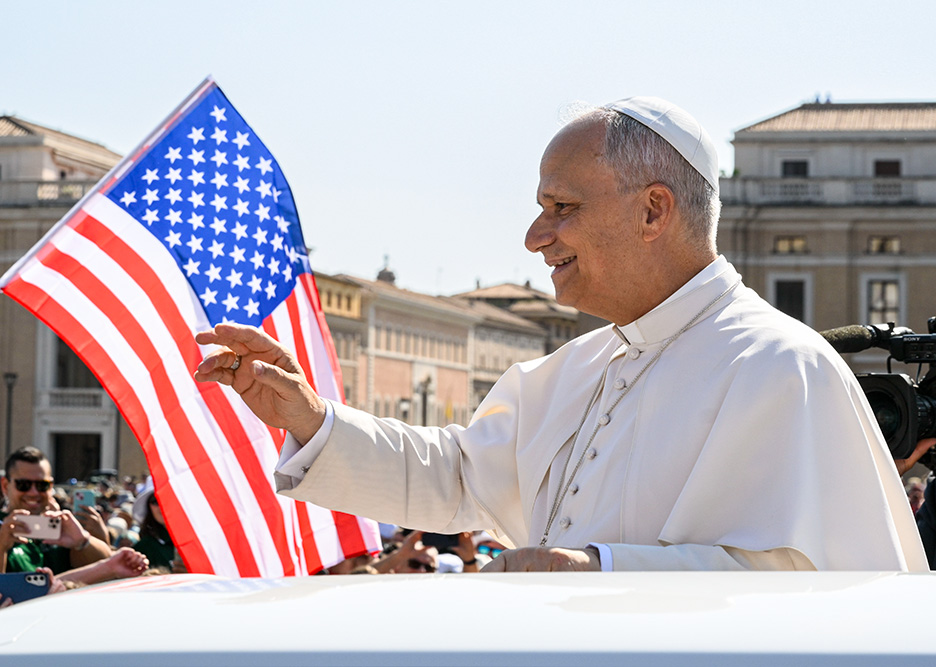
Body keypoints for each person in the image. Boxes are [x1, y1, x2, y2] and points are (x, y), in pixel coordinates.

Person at [194, 96, 927, 572]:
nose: (535, 235)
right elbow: (453, 476)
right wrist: (311, 417)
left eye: (561, 206)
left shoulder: (783, 367)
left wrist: (602, 569)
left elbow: (820, 592)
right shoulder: (578, 366)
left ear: (653, 211)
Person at [0, 447, 112, 576]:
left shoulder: (61, 529)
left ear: (51, 486)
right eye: (24, 484)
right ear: (5, 485)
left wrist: (82, 541)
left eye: (42, 485)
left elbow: (109, 568)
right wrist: (0, 549)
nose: (34, 492)